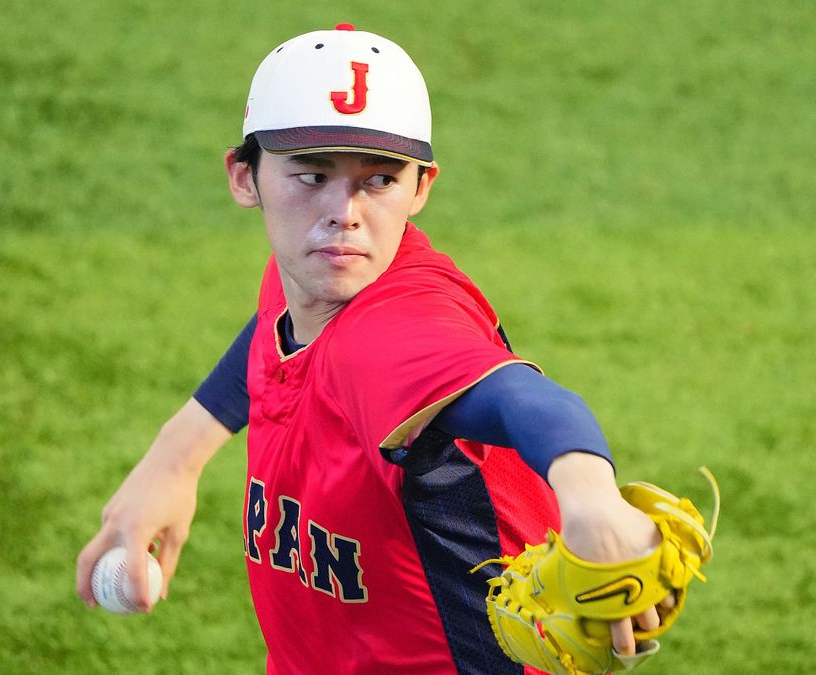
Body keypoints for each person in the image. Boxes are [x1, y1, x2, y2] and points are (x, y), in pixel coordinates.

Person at [76, 24, 668, 674]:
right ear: (244, 177)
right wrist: (176, 456)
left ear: (421, 187)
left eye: (379, 179)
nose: (344, 212)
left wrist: (589, 492)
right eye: (311, 174)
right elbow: (273, 325)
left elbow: (517, 396)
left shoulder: (394, 336)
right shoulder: (315, 273)